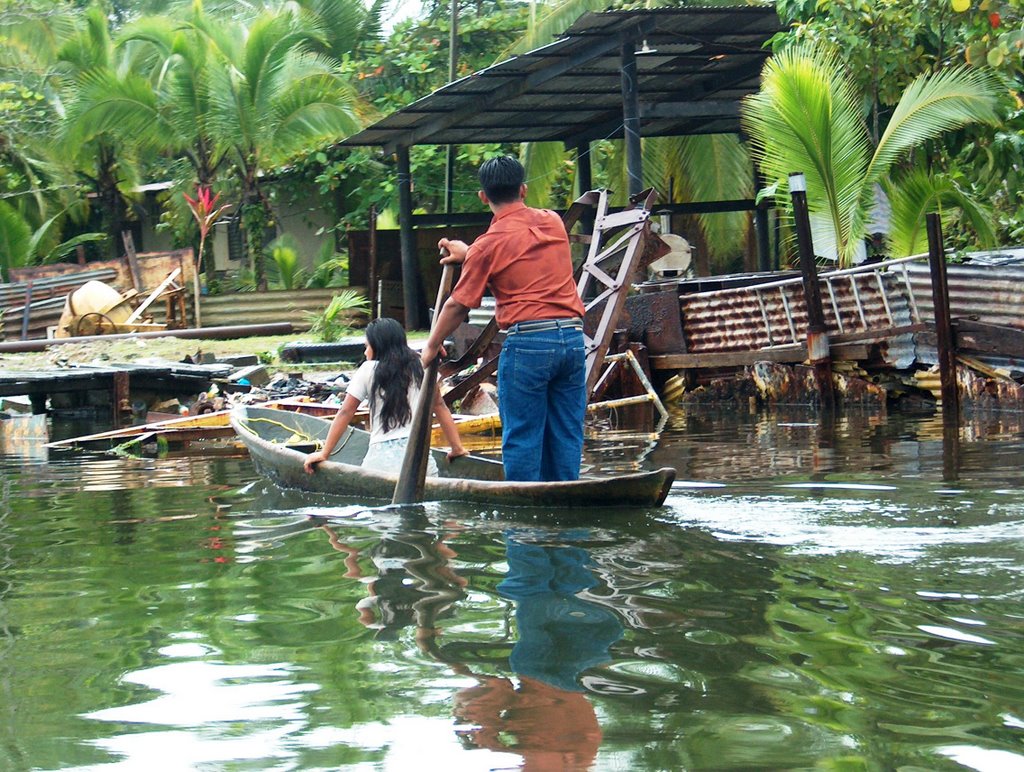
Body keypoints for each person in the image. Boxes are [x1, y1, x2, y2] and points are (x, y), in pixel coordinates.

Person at [420, 155, 587, 482]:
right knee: (566, 433)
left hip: (529, 345)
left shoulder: (488, 246)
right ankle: (569, 512)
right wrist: (469, 254)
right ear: (523, 190)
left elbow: (458, 305)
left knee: (523, 435)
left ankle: (523, 523)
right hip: (571, 340)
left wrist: (431, 345)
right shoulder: (552, 222)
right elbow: (521, 253)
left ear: (484, 197)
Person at [304, 316, 466, 476]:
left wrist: (324, 453)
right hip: (421, 463)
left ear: (378, 346)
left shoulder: (368, 369)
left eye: (367, 346)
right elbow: (440, 407)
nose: (365, 351)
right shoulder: (420, 368)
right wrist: (457, 448)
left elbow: (345, 412)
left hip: (380, 463)